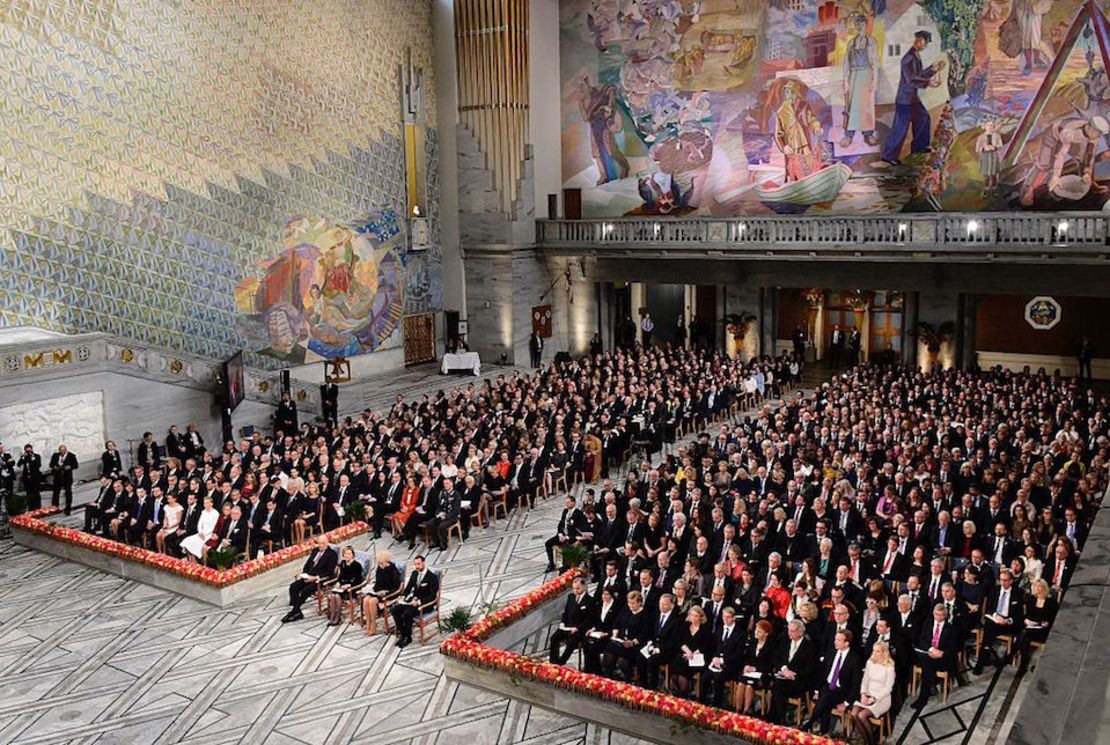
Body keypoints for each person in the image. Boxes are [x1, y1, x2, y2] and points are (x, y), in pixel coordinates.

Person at [881, 30, 944, 166]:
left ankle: (919, 147)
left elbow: (919, 74)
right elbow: (910, 79)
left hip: (912, 99)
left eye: (925, 43)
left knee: (923, 118)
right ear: (919, 40)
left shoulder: (915, 56)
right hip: (905, 100)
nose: (924, 46)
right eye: (924, 43)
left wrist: (933, 69)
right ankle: (888, 155)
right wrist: (928, 83)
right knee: (900, 129)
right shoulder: (908, 58)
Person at [804, 629, 863, 736]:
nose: (835, 642)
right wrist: (817, 690)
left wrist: (846, 703)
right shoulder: (831, 652)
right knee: (825, 700)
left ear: (846, 643)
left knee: (825, 699)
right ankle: (824, 732)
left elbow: (856, 684)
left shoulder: (855, 659)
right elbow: (822, 672)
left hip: (841, 690)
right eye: (835, 639)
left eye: (839, 640)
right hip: (827, 686)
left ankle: (809, 724)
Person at [768, 619, 817, 723]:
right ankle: (777, 718)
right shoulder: (785, 641)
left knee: (778, 686)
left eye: (792, 631)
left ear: (800, 632)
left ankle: (777, 718)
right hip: (783, 677)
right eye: (789, 630)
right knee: (777, 684)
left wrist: (793, 675)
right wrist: (784, 669)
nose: (789, 633)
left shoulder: (809, 647)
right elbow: (776, 657)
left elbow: (809, 669)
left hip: (799, 681)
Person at [841, 14, 879, 148]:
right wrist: (845, 80)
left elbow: (874, 62)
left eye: (862, 23)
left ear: (865, 25)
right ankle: (848, 135)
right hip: (854, 75)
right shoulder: (851, 43)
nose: (859, 26)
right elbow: (846, 63)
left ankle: (868, 134)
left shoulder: (871, 41)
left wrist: (874, 81)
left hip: (866, 75)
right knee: (851, 105)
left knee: (866, 106)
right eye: (857, 24)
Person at [911, 604, 959, 709]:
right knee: (925, 660)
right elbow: (921, 640)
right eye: (936, 614)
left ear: (945, 616)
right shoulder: (928, 624)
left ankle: (923, 698)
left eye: (941, 615)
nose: (938, 617)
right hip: (928, 653)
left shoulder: (951, 629)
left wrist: (940, 653)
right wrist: (931, 649)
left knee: (926, 667)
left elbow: (953, 649)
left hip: (941, 658)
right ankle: (930, 685)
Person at [850, 641, 897, 745]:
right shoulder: (870, 662)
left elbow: (888, 689)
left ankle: (871, 742)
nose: (875, 653)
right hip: (868, 694)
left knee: (862, 715)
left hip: (882, 699)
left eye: (878, 651)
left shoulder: (889, 667)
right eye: (874, 651)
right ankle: (866, 740)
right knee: (854, 713)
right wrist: (863, 694)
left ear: (884, 652)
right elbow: (865, 680)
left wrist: (874, 698)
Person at [283, 534, 338, 623]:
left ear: (327, 543)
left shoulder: (332, 554)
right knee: (293, 586)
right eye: (319, 543)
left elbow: (330, 572)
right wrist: (305, 574)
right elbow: (308, 563)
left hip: (320, 579)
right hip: (309, 576)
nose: (320, 545)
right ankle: (296, 608)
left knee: (305, 591)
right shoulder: (315, 551)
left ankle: (295, 610)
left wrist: (315, 577)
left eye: (323, 543)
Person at [391, 555, 439, 648]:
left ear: (424, 563)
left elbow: (433, 596)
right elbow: (408, 588)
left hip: (425, 604)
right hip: (413, 601)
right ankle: (403, 634)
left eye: (419, 564)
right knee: (394, 610)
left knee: (407, 613)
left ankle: (408, 637)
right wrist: (403, 596)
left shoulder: (432, 577)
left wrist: (419, 602)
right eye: (415, 564)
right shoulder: (414, 573)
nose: (417, 566)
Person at [549, 577, 595, 664]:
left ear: (584, 587)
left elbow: (589, 619)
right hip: (567, 626)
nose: (575, 590)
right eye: (574, 588)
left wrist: (578, 628)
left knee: (571, 643)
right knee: (554, 638)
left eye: (578, 588)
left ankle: (561, 662)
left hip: (579, 629)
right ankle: (553, 661)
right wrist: (562, 622)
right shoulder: (571, 597)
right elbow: (566, 612)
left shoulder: (590, 600)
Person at [361, 550, 403, 635]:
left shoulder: (393, 570)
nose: (380, 565)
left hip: (389, 593)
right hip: (379, 591)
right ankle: (368, 623)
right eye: (379, 563)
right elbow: (377, 583)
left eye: (382, 563)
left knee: (372, 601)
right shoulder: (379, 568)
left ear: (387, 562)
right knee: (366, 599)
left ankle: (373, 624)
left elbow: (397, 588)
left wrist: (386, 593)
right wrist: (376, 590)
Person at [326, 545, 365, 626]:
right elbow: (340, 576)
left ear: (353, 555)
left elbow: (358, 580)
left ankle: (337, 617)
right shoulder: (343, 563)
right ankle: (332, 617)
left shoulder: (357, 565)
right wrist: (338, 582)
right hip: (342, 587)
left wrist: (349, 585)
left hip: (352, 588)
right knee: (333, 595)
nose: (347, 555)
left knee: (337, 596)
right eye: (345, 554)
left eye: (349, 554)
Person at [49, 443, 78, 515]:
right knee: (56, 492)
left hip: (67, 477)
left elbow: (76, 465)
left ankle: (68, 508)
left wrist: (70, 467)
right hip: (58, 477)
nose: (62, 452)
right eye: (60, 451)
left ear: (66, 450)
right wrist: (55, 467)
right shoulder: (55, 455)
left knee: (68, 492)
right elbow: (51, 464)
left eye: (63, 451)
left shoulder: (71, 456)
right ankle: (55, 507)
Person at [17, 444, 42, 510]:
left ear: (32, 450)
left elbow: (38, 465)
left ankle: (38, 507)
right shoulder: (24, 457)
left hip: (35, 478)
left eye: (29, 451)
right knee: (29, 494)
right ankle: (31, 508)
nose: (28, 452)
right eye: (27, 451)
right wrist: (22, 457)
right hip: (27, 479)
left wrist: (33, 458)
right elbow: (19, 464)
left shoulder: (37, 456)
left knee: (36, 493)